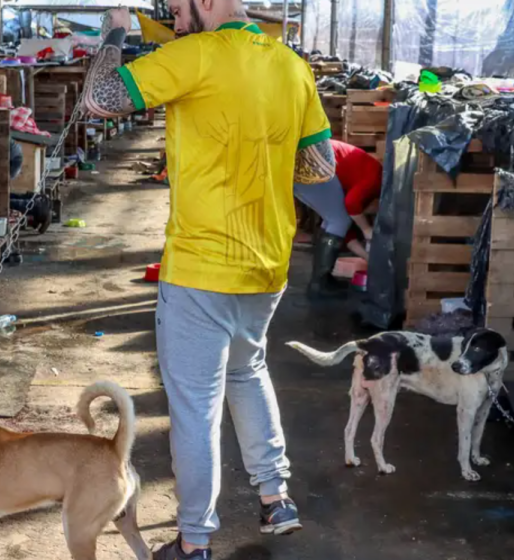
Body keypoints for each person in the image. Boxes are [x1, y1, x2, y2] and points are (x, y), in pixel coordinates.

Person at [82, 1, 335, 558]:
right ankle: (275, 497)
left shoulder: (194, 55)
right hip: (267, 263)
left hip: (201, 266)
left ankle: (194, 540)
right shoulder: (291, 65)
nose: (174, 19)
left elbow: (99, 97)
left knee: (195, 407)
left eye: (177, 7)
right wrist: (261, 156)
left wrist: (115, 33)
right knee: (248, 371)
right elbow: (320, 166)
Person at [293, 139, 382, 298]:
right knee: (338, 219)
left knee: (334, 220)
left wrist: (368, 258)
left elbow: (343, 231)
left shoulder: (356, 184)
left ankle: (321, 281)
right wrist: (366, 229)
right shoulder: (376, 178)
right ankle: (319, 285)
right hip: (312, 160)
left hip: (302, 161)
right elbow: (351, 204)